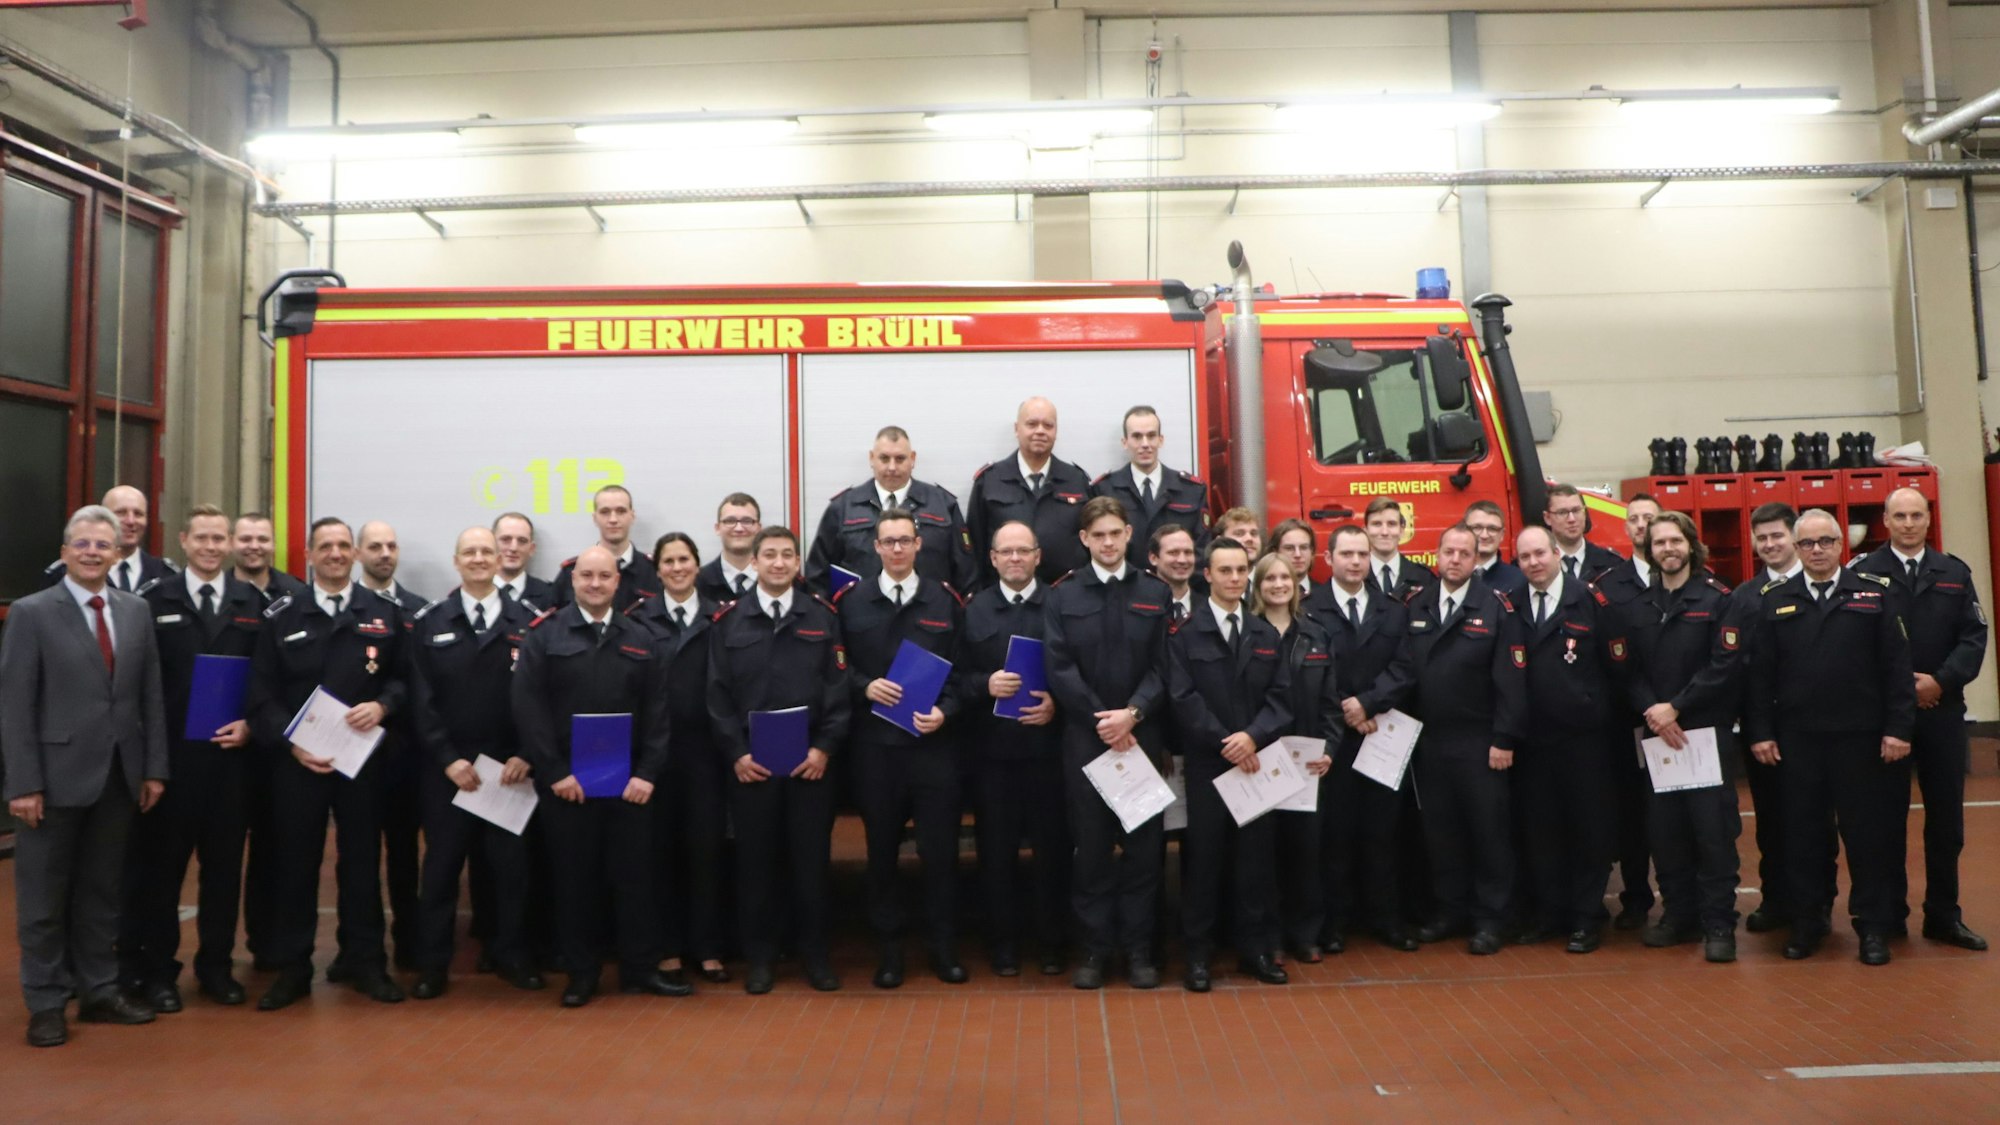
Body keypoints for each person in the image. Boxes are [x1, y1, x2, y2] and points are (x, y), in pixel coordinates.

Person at [3, 505, 169, 1048]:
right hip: (50, 782)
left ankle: (100, 991)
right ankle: (47, 1002)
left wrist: (152, 769)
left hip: (119, 778)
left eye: (104, 544)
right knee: (44, 900)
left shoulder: (136, 611)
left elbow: (149, 697)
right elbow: (15, 705)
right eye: (84, 544)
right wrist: (23, 783)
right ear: (65, 552)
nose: (94, 552)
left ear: (118, 553)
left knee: (102, 896)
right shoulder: (31, 613)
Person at [245, 517, 408, 1011]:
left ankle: (366, 962)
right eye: (325, 547)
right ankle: (294, 968)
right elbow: (261, 696)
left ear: (355, 556)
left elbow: (404, 682)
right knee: (297, 866)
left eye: (343, 546)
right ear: (309, 556)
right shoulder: (282, 614)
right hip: (300, 763)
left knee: (361, 864)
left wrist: (383, 707)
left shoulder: (384, 613)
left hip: (361, 763)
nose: (335, 554)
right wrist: (290, 743)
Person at [512, 546, 683, 1007]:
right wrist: (555, 773)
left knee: (637, 879)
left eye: (604, 576)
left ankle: (641, 969)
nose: (594, 583)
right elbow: (530, 711)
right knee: (574, 882)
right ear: (573, 581)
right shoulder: (544, 638)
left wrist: (647, 774)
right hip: (570, 789)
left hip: (631, 787)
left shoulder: (642, 638)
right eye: (586, 575)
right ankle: (582, 973)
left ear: (617, 582)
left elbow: (659, 714)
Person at [1747, 509, 1916, 965]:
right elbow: (1760, 676)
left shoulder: (1873, 595)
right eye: (1807, 544)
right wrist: (1760, 732)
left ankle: (1872, 926)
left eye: (1824, 542)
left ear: (1842, 545)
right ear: (1797, 549)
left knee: (1867, 836)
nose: (1816, 550)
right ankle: (1809, 921)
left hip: (1860, 740)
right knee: (1803, 837)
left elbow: (1897, 670)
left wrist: (1898, 729)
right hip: (1798, 740)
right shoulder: (1775, 599)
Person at [119, 505, 261, 1012]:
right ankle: (159, 973)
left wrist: (253, 725)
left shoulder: (254, 603)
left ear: (228, 545)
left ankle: (216, 968)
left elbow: (265, 681)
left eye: (218, 538)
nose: (209, 546)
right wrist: (149, 765)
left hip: (230, 764)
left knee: (224, 874)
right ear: (183, 540)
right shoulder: (152, 602)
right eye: (200, 537)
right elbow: (137, 689)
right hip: (172, 766)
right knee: (163, 875)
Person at [706, 527, 849, 995]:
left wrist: (823, 748)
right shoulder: (730, 621)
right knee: (756, 868)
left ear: (796, 564)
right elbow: (718, 697)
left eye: (788, 555)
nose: (779, 563)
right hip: (753, 769)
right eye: (769, 555)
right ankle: (761, 960)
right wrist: (737, 754)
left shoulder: (822, 618)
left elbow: (838, 691)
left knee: (811, 867)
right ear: (756, 562)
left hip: (811, 767)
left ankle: (815, 957)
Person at [406, 527, 546, 1000]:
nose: (481, 558)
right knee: (441, 872)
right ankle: (432, 966)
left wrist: (527, 754)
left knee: (512, 873)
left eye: (488, 551)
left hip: (509, 772)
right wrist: (448, 759)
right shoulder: (430, 621)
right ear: (456, 560)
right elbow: (419, 701)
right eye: (471, 552)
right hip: (450, 774)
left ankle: (511, 956)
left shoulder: (528, 622)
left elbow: (542, 697)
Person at [1044, 496, 1174, 990]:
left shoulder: (1155, 593)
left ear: (1128, 534)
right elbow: (1059, 668)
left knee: (1144, 854)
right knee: (1092, 853)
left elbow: (1166, 666)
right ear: (1084, 540)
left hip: (1142, 738)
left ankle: (1140, 952)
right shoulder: (1063, 596)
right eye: (1098, 535)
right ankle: (1095, 952)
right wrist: (1104, 720)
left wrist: (1133, 714)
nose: (1108, 542)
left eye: (1115, 533)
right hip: (1087, 742)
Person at [1852, 487, 1989, 951]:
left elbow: (1973, 638)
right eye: (1899, 516)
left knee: (1946, 822)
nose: (1908, 523)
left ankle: (1944, 916)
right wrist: (1904, 692)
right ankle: (1887, 917)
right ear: (1885, 522)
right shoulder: (1865, 574)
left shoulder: (1953, 572)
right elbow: (1855, 646)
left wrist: (1939, 683)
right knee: (1883, 820)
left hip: (1943, 714)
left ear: (1929, 519)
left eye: (1916, 515)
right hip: (1888, 719)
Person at [836, 508, 968, 987]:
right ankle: (890, 952)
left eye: (904, 541)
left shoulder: (945, 601)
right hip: (876, 751)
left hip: (933, 748)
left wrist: (946, 712)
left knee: (940, 854)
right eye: (887, 541)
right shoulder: (851, 603)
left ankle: (943, 948)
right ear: (875, 547)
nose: (896, 549)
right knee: (882, 855)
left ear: (919, 545)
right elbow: (834, 670)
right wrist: (864, 687)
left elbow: (964, 672)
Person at [1169, 539, 1294, 991]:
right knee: (1202, 864)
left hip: (1255, 764)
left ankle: (1255, 951)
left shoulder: (1264, 634)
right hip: (1209, 767)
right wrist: (1227, 742)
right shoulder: (1186, 634)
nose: (1234, 578)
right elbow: (1182, 698)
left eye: (1241, 570)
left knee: (1255, 863)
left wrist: (1252, 737)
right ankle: (1198, 957)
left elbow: (1282, 699)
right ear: (1208, 575)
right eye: (1225, 570)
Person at [1627, 512, 1747, 963]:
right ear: (1649, 550)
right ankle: (1679, 916)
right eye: (1658, 543)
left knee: (1713, 834)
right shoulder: (1639, 605)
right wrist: (1655, 714)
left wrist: (1676, 706)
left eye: (1675, 541)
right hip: (1658, 738)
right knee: (1666, 834)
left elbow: (1724, 664)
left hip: (1702, 735)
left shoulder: (1718, 599)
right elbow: (1628, 670)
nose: (1667, 549)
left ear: (1691, 546)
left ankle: (1719, 924)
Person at [1402, 524, 1527, 955]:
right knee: (1442, 834)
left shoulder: (1495, 609)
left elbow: (1512, 680)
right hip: (1430, 742)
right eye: (1448, 552)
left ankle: (1492, 919)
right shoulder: (1417, 604)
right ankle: (1451, 910)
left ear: (1476, 561)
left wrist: (1504, 738)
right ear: (1435, 555)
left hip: (1481, 743)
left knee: (1488, 833)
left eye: (1464, 553)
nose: (1454, 560)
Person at [954, 521, 1068, 977]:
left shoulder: (1061, 605)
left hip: (1049, 753)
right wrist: (986, 684)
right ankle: (1003, 945)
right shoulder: (972, 611)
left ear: (1039, 556)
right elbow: (955, 679)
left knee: (1053, 855)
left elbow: (1081, 668)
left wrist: (1057, 703)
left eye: (1025, 551)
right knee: (995, 856)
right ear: (993, 558)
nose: (1016, 558)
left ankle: (1052, 944)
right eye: (1007, 551)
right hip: (992, 759)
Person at [1510, 526, 1623, 954]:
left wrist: (1595, 712)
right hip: (1533, 742)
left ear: (1558, 553)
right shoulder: (1512, 604)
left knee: (1587, 831)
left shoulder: (1590, 601)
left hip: (1584, 742)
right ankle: (1550, 914)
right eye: (1525, 557)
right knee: (1541, 832)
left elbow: (1616, 670)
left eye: (1541, 553)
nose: (1534, 562)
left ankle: (1586, 917)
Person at [625, 532, 731, 987]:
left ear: (696, 564)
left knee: (707, 852)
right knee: (657, 854)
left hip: (706, 754)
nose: (677, 568)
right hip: (654, 756)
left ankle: (707, 946)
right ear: (658, 568)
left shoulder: (721, 618)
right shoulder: (636, 620)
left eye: (684, 559)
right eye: (668, 561)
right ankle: (666, 947)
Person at [1547, 482, 1654, 930]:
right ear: (1547, 519)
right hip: (1564, 721)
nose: (1572, 518)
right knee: (1576, 813)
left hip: (1615, 713)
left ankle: (1636, 896)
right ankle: (1579, 900)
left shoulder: (1612, 569)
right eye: (1562, 512)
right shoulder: (1532, 571)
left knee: (1629, 808)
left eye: (1577, 511)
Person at [1310, 525, 1418, 952]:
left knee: (1382, 834)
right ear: (1329, 558)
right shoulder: (1312, 608)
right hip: (1335, 740)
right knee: (1335, 836)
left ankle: (1386, 920)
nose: (1355, 562)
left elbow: (1405, 667)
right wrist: (1346, 709)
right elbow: (1312, 672)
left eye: (1362, 554)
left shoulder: (1393, 610)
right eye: (1347, 554)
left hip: (1380, 735)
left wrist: (1368, 703)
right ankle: (1336, 924)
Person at [1731, 502, 1819, 934]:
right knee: (1770, 821)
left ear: (1796, 538)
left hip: (1812, 731)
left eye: (1777, 536)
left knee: (1814, 821)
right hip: (1762, 731)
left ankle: (1815, 905)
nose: (1769, 545)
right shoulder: (1744, 598)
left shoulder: (1818, 587)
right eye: (1761, 538)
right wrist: (1755, 729)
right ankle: (1775, 899)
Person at [1246, 553, 1337, 962]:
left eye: (1285, 577)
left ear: (1297, 584)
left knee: (1306, 853)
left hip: (1306, 764)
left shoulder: (1317, 635)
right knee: (1262, 857)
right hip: (1260, 761)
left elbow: (1332, 703)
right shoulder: (1247, 634)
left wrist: (1331, 749)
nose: (1279, 584)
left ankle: (1306, 935)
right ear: (1258, 586)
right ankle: (1270, 937)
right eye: (1270, 578)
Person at [355, 520, 427, 973]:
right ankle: (358, 950)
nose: (385, 553)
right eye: (375, 546)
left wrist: (387, 706)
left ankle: (408, 941)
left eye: (391, 546)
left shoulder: (419, 610)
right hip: (352, 752)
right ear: (360, 553)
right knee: (357, 858)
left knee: (404, 855)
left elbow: (418, 680)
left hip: (403, 752)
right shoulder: (345, 609)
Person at [808, 426, 976, 594]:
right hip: (861, 615)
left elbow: (966, 575)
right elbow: (818, 574)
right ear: (871, 458)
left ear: (913, 459)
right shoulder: (843, 508)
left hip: (930, 614)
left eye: (900, 459)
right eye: (884, 458)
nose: (892, 467)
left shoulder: (943, 505)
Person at [967, 396, 1093, 585]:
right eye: (1032, 424)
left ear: (1056, 431)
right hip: (1005, 597)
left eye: (1048, 425)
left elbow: (1091, 541)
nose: (1040, 431)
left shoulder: (1076, 480)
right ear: (1017, 429)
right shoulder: (989, 481)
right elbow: (975, 547)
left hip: (1066, 596)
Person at [1091, 406, 1210, 572]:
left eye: (1151, 436)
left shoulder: (1191, 490)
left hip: (1174, 588)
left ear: (1161, 440)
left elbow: (1202, 548)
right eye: (1137, 437)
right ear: (1125, 442)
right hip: (1125, 589)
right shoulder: (1104, 489)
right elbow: (1097, 547)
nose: (1145, 444)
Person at [43, 485, 177, 593]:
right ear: (103, 519)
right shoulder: (63, 573)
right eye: (121, 513)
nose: (131, 521)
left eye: (138, 514)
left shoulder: (166, 575)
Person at [553, 485, 662, 610]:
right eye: (605, 512)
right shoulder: (572, 571)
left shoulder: (654, 571)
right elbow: (554, 623)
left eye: (621, 511)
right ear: (595, 518)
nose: (613, 519)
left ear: (632, 516)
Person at [1361, 497, 1435, 601]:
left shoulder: (1424, 577)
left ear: (1401, 530)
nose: (1384, 532)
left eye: (1391, 524)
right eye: (1377, 524)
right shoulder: (1354, 576)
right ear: (1366, 531)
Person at [696, 493, 762, 604]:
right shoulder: (697, 582)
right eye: (730, 521)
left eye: (747, 521)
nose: (739, 528)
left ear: (759, 528)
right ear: (717, 528)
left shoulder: (777, 579)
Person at [229, 512, 306, 606]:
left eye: (263, 540)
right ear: (231, 543)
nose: (254, 546)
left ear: (274, 544)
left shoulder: (298, 594)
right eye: (246, 539)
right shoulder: (215, 592)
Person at [1463, 500, 1527, 601]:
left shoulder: (1519, 580)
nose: (1484, 535)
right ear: (1465, 530)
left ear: (1502, 534)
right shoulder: (1452, 575)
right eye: (1477, 527)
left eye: (1492, 528)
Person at [493, 511, 556, 610]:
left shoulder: (551, 596)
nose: (513, 548)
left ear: (532, 549)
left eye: (522, 541)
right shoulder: (474, 592)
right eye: (506, 539)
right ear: (491, 544)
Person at [1147, 525, 1199, 621]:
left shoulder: (1208, 608)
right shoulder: (1141, 606)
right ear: (1153, 558)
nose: (1182, 560)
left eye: (1188, 552)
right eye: (1173, 553)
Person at [1268, 519, 1318, 601]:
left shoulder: (1327, 596)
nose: (1298, 555)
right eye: (1289, 548)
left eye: (1303, 547)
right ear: (1275, 552)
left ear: (1312, 551)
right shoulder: (1264, 595)